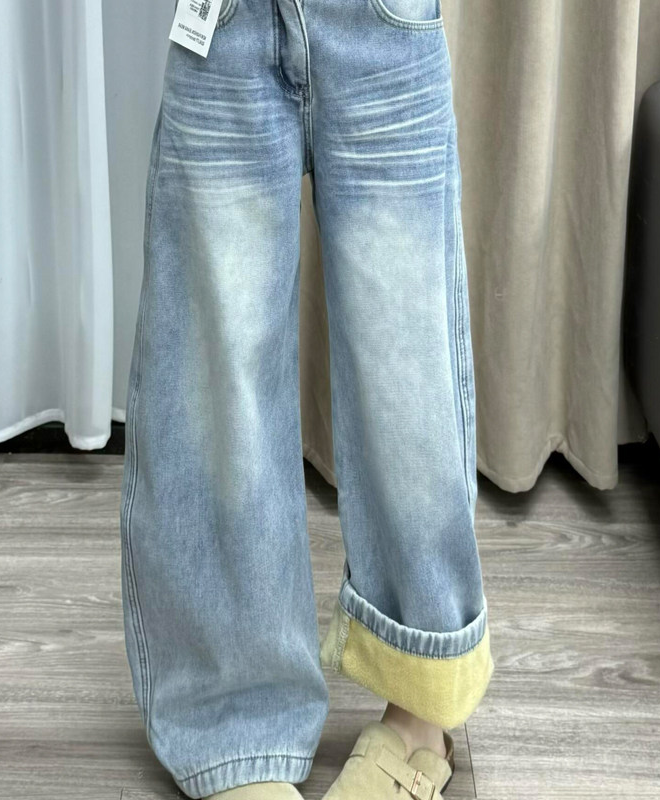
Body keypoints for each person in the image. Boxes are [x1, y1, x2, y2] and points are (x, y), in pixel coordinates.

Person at [120, 1, 493, 798]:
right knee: (215, 376)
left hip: (382, 19)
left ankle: (421, 710)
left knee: (408, 375)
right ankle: (236, 725)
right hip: (225, 21)